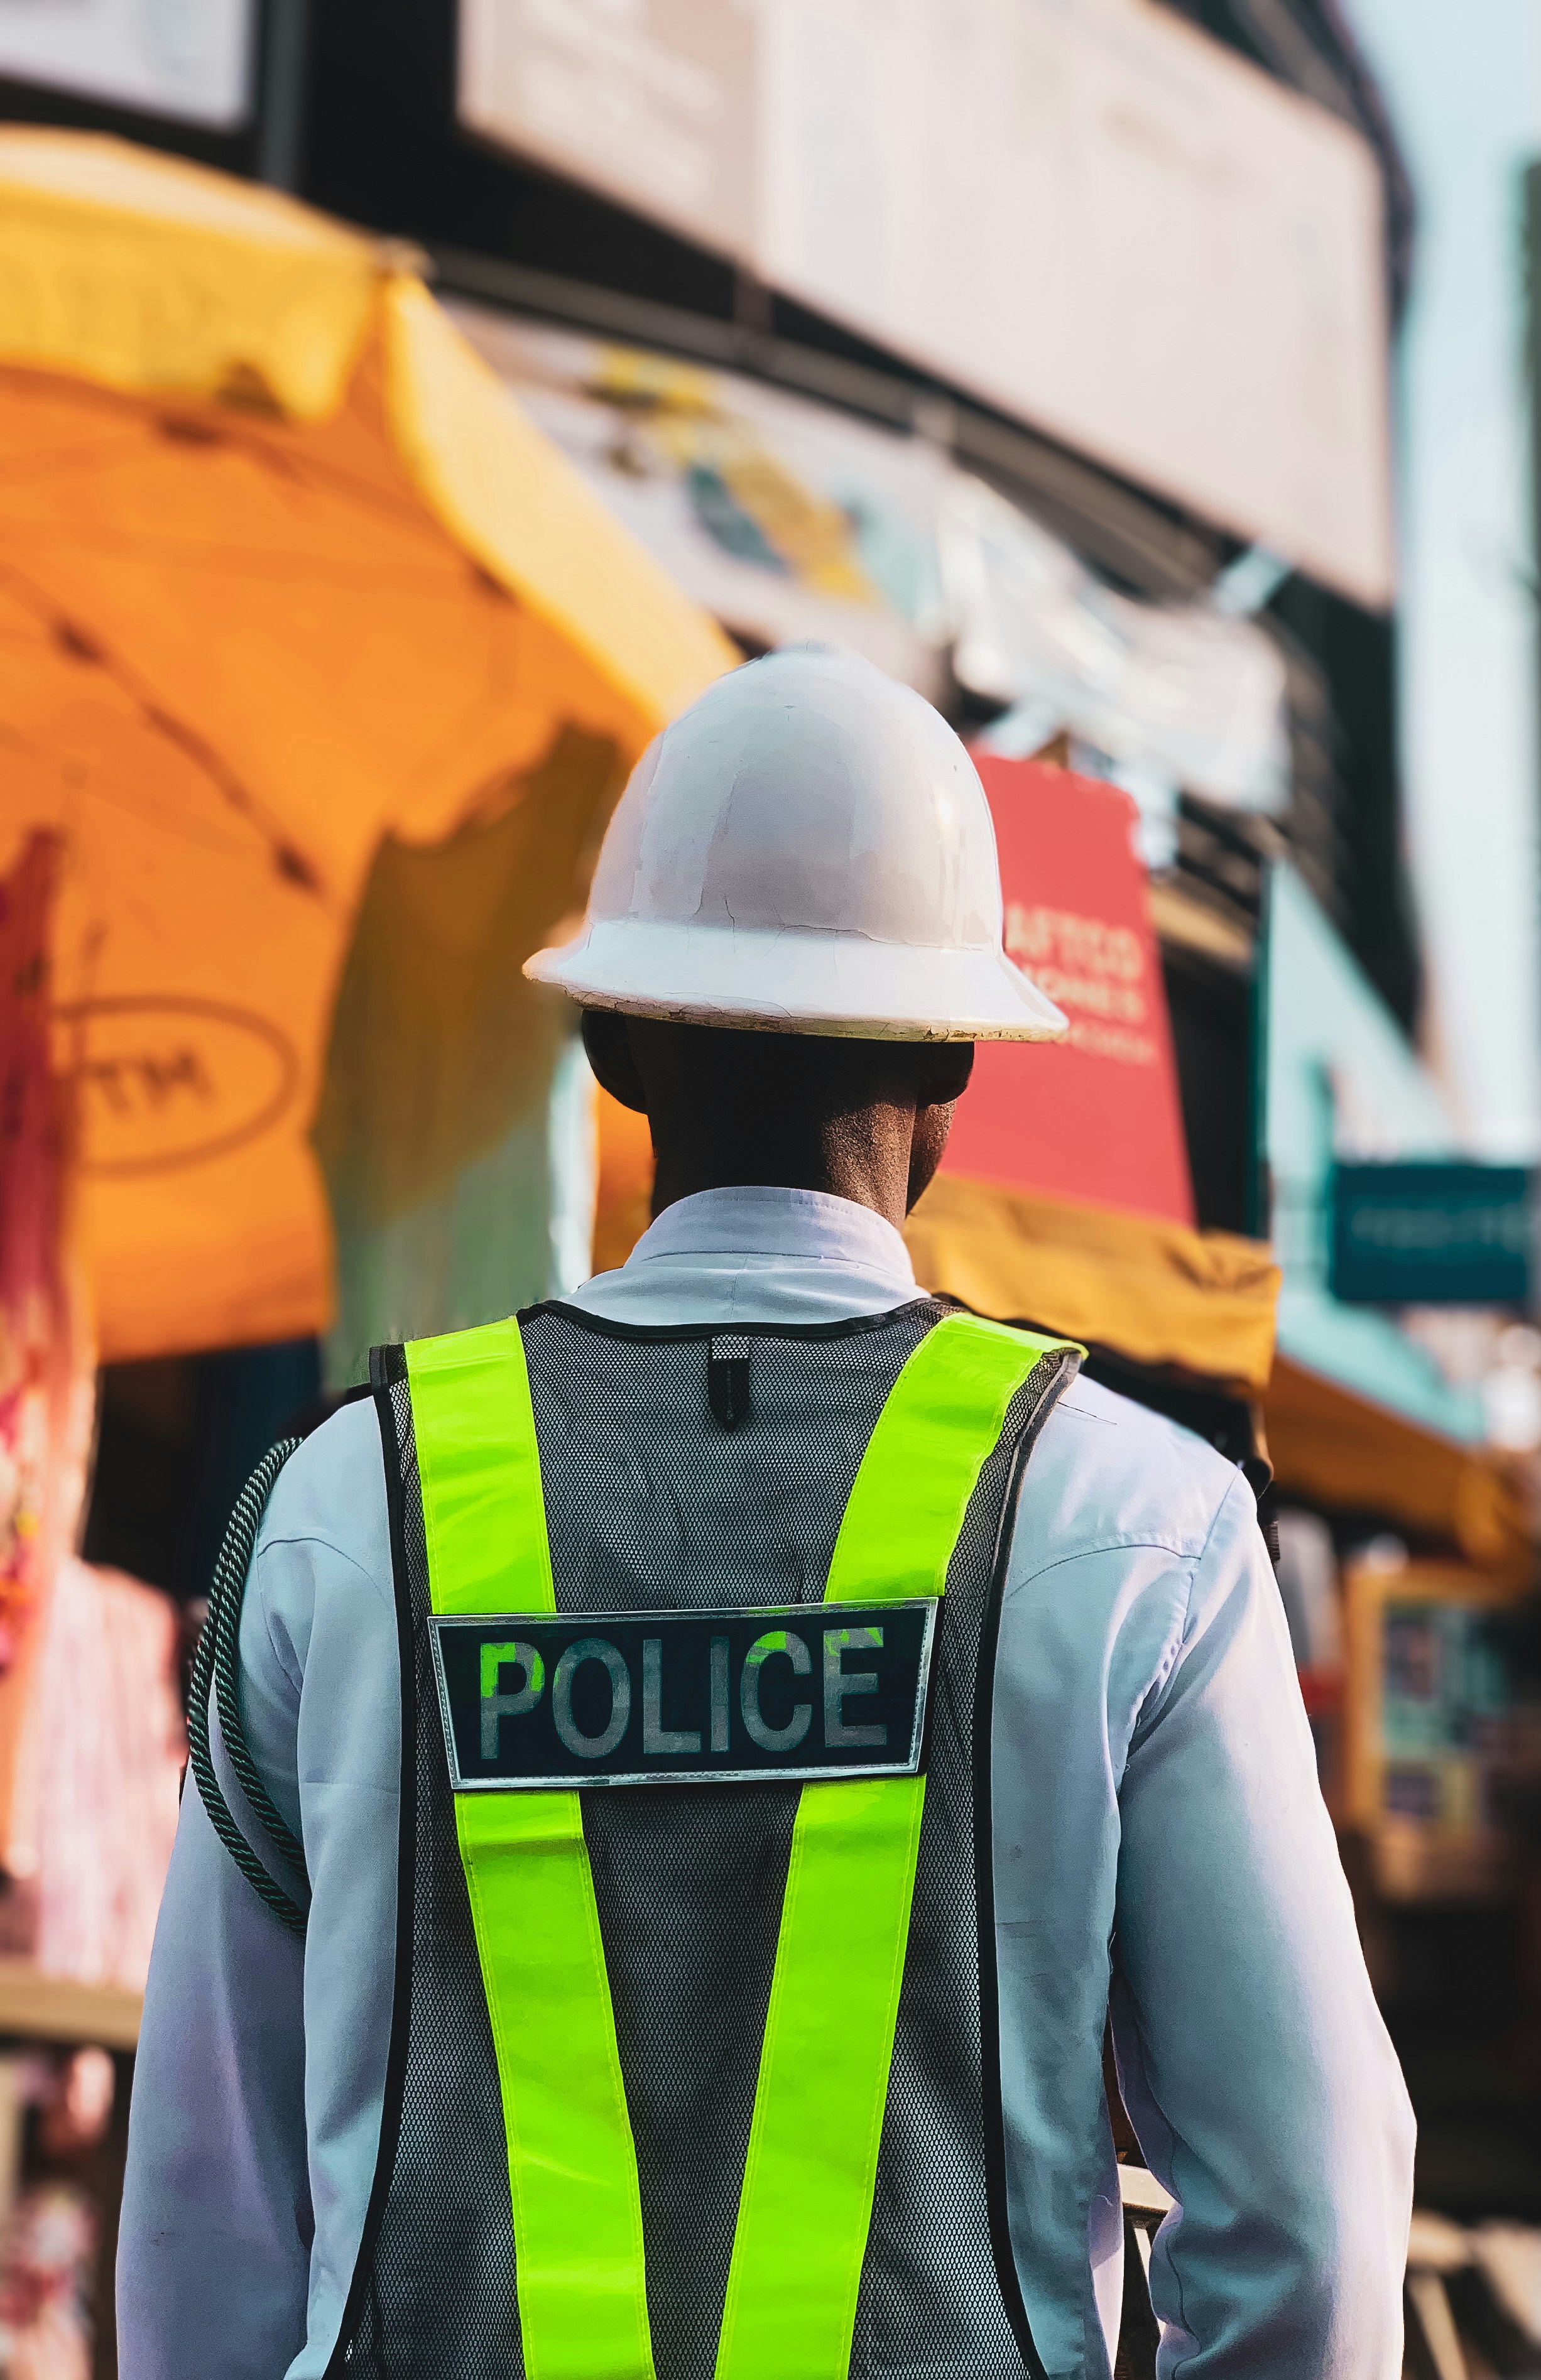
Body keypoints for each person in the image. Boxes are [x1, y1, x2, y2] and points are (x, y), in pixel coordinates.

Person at [119, 644, 1413, 2380]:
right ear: (958, 1056)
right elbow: (1314, 2233)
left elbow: (205, 2216)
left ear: (610, 1040)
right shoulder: (1136, 1524)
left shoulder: (342, 1508)